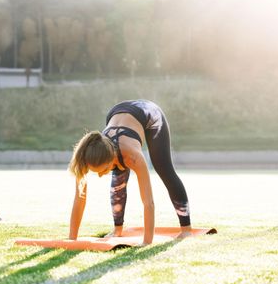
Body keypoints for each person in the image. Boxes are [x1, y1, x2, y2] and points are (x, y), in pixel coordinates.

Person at [68, 99, 192, 245]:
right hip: (116, 112)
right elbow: (79, 199)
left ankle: (186, 229)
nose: (101, 175)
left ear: (111, 158)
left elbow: (148, 203)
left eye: (104, 170)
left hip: (149, 114)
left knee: (164, 169)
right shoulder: (87, 153)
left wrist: (146, 243)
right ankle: (117, 230)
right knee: (118, 179)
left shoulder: (133, 156)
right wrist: (72, 239)